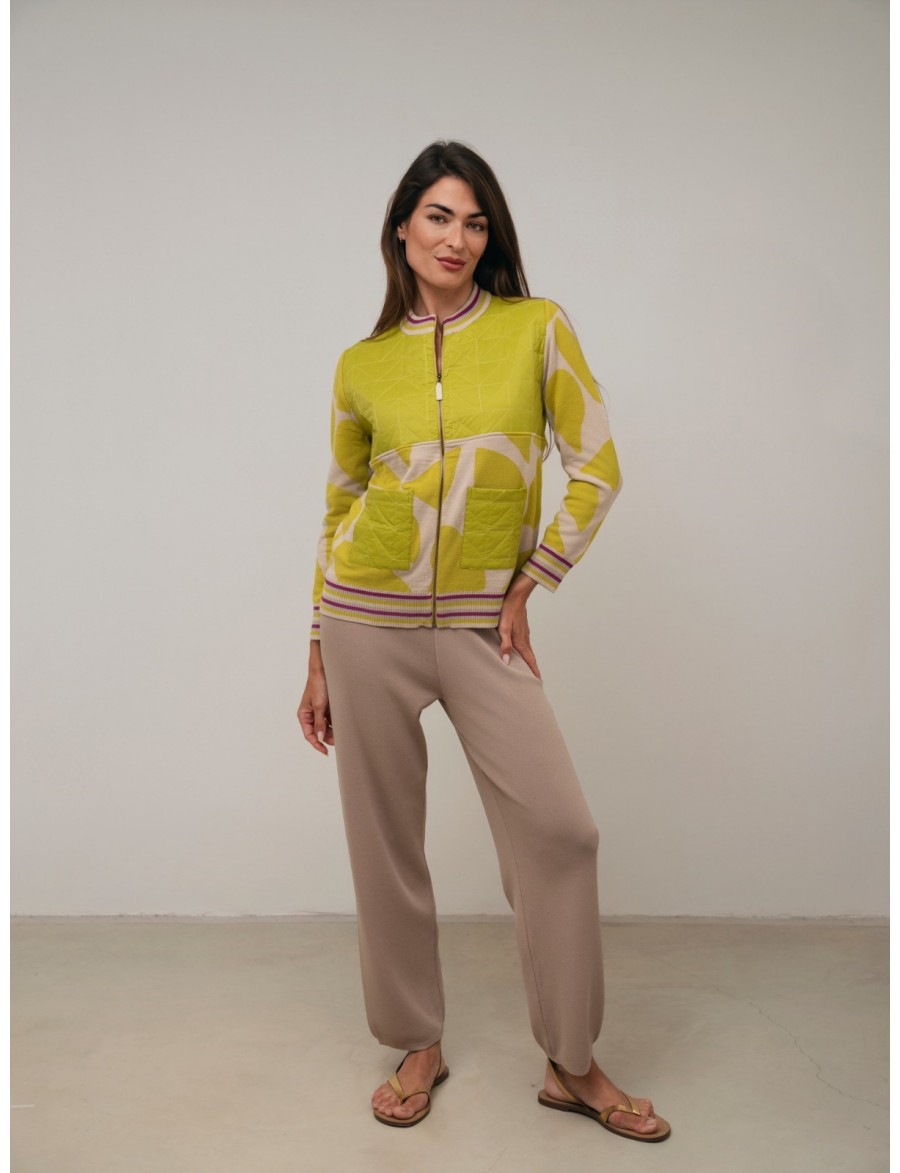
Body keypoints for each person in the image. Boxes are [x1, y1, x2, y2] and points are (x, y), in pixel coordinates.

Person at [297, 141, 670, 1143]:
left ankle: (571, 1061)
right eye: (438, 217)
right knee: (384, 845)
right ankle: (417, 1041)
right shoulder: (362, 363)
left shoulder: (535, 329)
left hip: (477, 622)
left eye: (474, 221)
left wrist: (533, 578)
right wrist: (317, 647)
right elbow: (338, 508)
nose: (457, 238)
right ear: (401, 230)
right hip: (365, 619)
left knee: (561, 831)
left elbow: (597, 467)